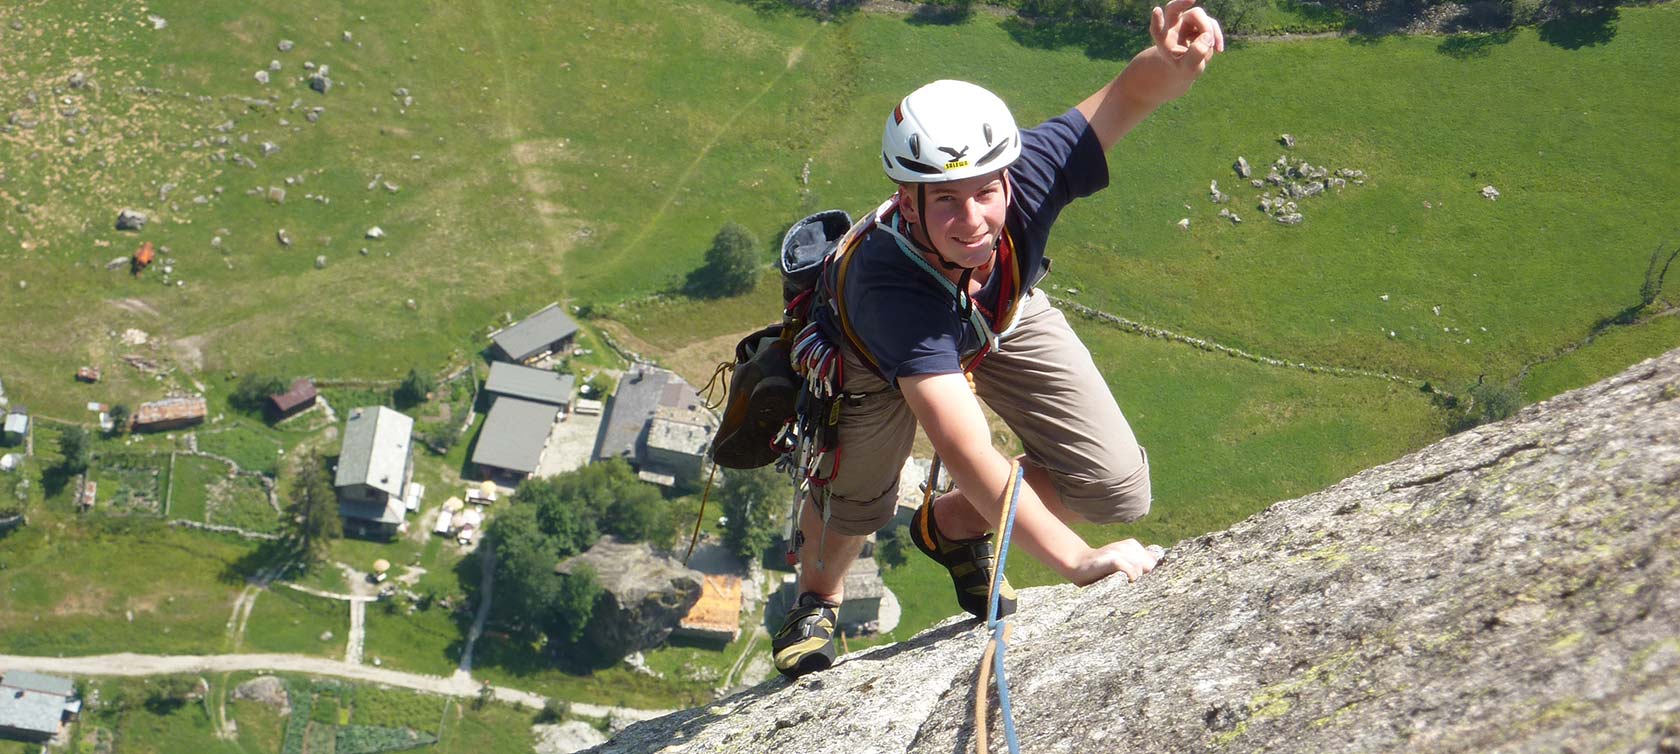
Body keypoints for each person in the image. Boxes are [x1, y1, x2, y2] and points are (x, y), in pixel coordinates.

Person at [771, 0, 1225, 679]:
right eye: (946, 200)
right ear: (907, 197)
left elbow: (1127, 97)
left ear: (1008, 176)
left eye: (987, 192)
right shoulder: (886, 287)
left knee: (1116, 488)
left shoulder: (1031, 169)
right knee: (862, 501)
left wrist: (1171, 62)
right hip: (871, 355)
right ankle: (818, 596)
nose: (974, 218)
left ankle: (950, 527)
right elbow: (962, 445)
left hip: (994, 309)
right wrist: (1076, 561)